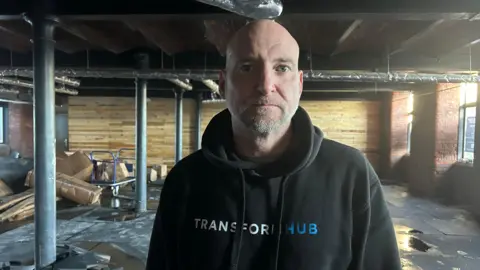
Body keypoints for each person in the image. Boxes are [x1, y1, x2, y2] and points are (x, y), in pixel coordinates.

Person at [146, 19, 401, 270]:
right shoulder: (186, 180)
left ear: (299, 84)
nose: (266, 85)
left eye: (282, 68)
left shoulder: (350, 175)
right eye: (247, 67)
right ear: (223, 84)